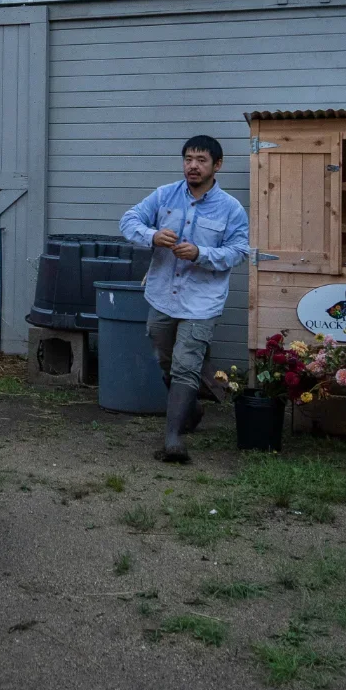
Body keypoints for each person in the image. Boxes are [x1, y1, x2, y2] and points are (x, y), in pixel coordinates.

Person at [120, 135, 250, 463]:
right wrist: (152, 234)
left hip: (201, 301)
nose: (193, 165)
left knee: (186, 362)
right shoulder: (164, 195)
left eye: (201, 160)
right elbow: (128, 220)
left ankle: (173, 439)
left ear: (217, 165)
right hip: (162, 294)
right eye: (188, 159)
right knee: (164, 355)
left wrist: (200, 253)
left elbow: (239, 251)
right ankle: (191, 410)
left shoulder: (231, 208)